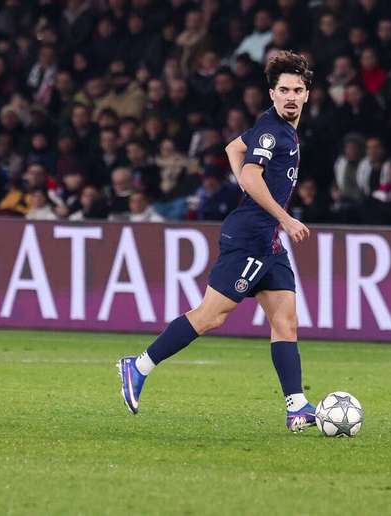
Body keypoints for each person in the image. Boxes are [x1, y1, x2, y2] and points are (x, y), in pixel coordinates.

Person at [118, 51, 316, 432]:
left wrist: (254, 193)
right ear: (272, 93)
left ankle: (297, 408)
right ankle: (138, 365)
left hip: (267, 241)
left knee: (285, 321)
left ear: (306, 94)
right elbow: (253, 175)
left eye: (297, 89)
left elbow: (232, 149)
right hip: (249, 239)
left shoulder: (275, 128)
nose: (290, 96)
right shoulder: (272, 131)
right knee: (211, 316)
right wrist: (285, 217)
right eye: (283, 90)